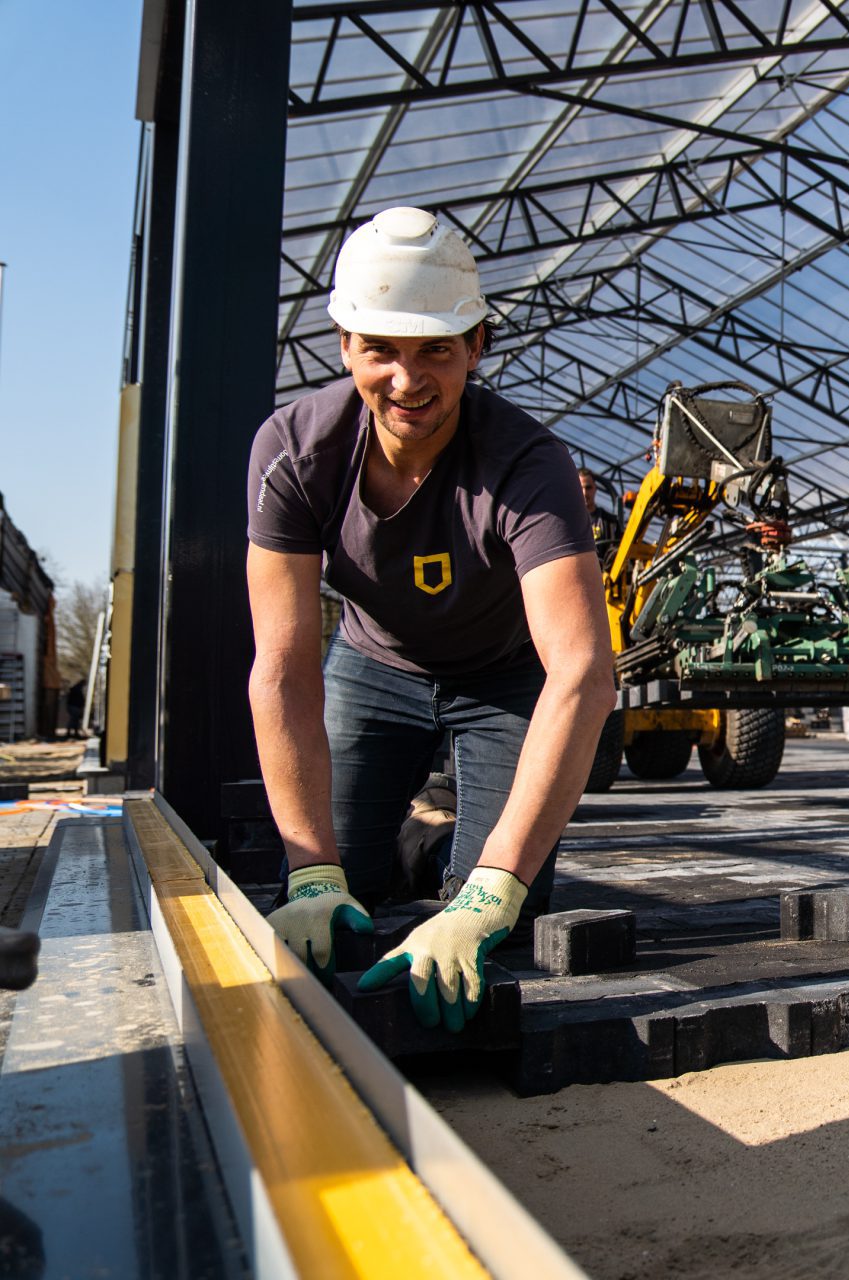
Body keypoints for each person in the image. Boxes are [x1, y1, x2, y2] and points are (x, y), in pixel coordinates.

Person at [246, 206, 614, 1030]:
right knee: (337, 891)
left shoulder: (526, 463)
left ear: (476, 346)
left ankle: (451, 857)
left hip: (505, 680)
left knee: (500, 907)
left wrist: (492, 892)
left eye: (435, 351)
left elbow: (583, 672)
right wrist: (311, 871)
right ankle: (414, 836)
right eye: (381, 350)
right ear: (345, 346)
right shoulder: (294, 451)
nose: (408, 381)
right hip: (372, 668)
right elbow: (281, 666)